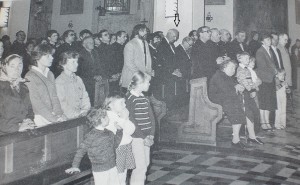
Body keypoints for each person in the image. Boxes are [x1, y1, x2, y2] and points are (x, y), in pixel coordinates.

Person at [209, 58, 263, 149]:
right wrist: (236, 88)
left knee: (247, 107)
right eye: (231, 68)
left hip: (226, 99)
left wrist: (237, 87)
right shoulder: (219, 76)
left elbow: (231, 88)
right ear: (224, 67)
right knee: (237, 110)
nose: (233, 70)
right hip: (217, 101)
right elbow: (226, 91)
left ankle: (251, 136)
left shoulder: (226, 76)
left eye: (234, 68)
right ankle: (235, 140)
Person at [65, 108, 123, 185]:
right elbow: (80, 151)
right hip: (100, 171)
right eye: (106, 116)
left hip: (112, 167)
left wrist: (119, 131)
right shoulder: (90, 136)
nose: (108, 118)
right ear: (102, 120)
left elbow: (115, 145)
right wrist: (75, 166)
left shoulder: (109, 133)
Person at [125, 71, 155, 185]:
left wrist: (151, 134)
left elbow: (152, 118)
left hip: (147, 136)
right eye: (148, 82)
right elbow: (131, 120)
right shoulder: (130, 98)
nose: (149, 84)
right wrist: (143, 136)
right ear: (140, 83)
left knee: (145, 164)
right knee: (140, 166)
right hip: (136, 137)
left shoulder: (145, 98)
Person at [25, 44, 66, 127]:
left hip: (54, 115)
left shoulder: (50, 74)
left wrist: (59, 114)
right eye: (48, 56)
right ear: (37, 57)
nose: (52, 58)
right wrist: (53, 118)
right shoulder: (30, 76)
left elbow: (54, 97)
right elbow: (36, 103)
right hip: (40, 117)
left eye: (51, 55)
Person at [103, 95, 135, 185]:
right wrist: (123, 119)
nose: (124, 105)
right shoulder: (108, 117)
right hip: (116, 150)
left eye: (124, 102)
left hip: (125, 148)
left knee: (123, 175)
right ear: (110, 105)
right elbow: (115, 135)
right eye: (121, 103)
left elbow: (131, 130)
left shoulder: (119, 116)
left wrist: (125, 119)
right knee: (117, 177)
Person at [0, 54, 35, 135]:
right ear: (5, 67)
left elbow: (30, 110)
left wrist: (29, 120)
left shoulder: (23, 86)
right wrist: (17, 127)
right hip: (5, 134)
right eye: (12, 66)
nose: (17, 69)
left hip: (24, 129)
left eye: (19, 65)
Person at [56, 51, 91, 119]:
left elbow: (85, 97)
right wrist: (75, 115)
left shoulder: (78, 79)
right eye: (73, 62)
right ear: (63, 64)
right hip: (69, 118)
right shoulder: (59, 82)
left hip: (81, 115)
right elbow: (62, 104)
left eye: (77, 62)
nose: (77, 64)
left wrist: (86, 110)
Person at [255, 33, 277, 131]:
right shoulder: (260, 51)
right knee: (263, 102)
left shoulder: (269, 50)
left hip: (270, 79)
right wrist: (274, 71)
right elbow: (262, 67)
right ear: (262, 41)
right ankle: (263, 122)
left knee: (269, 102)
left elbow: (272, 64)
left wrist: (275, 71)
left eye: (270, 39)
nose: (270, 41)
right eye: (267, 40)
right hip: (264, 79)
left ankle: (267, 121)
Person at [120, 24, 152, 90]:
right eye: (144, 31)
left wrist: (149, 72)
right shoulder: (130, 44)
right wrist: (140, 74)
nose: (146, 33)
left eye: (146, 31)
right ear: (138, 31)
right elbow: (129, 63)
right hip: (132, 76)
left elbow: (148, 59)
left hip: (144, 76)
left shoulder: (145, 43)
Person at [77, 36, 104, 106]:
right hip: (86, 80)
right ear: (84, 45)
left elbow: (99, 66)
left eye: (92, 42)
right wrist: (94, 76)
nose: (92, 44)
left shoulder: (95, 52)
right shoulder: (80, 54)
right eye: (89, 43)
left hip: (97, 79)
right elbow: (81, 71)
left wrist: (99, 74)